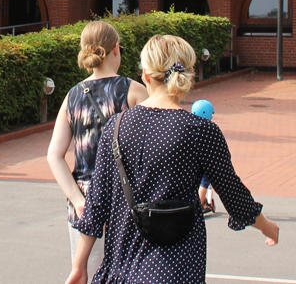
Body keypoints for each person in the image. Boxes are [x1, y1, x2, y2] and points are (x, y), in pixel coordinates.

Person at [66, 35, 278, 284]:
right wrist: (267, 226)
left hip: (122, 270)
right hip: (177, 270)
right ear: (188, 76)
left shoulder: (117, 126)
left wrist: (79, 266)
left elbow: (96, 204)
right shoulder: (200, 131)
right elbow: (234, 195)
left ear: (145, 75)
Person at [46, 20, 147, 281]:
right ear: (116, 49)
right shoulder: (134, 91)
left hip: (84, 202)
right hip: (125, 201)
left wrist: (78, 200)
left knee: (86, 274)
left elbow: (54, 155)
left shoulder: (73, 96)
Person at [190, 99, 216, 214]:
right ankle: (198, 205)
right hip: (204, 161)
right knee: (205, 181)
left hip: (191, 161)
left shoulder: (189, 126)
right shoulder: (209, 130)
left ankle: (199, 201)